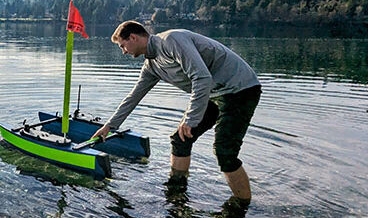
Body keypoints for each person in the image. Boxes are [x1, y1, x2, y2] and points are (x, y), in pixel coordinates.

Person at [92, 21, 261, 205]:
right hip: (213, 94)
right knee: (180, 139)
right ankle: (176, 194)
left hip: (239, 89)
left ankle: (242, 207)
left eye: (122, 45)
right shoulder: (151, 65)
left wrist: (190, 119)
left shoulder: (172, 41)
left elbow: (202, 77)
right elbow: (134, 97)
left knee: (224, 152)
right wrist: (109, 126)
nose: (123, 51)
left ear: (133, 37)